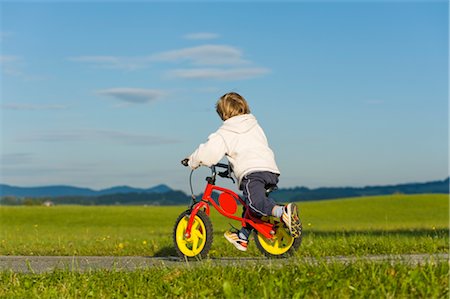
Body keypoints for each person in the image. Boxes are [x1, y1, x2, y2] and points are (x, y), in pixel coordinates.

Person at [182, 92, 300, 252]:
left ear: (223, 114)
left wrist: (192, 161)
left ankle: (282, 211)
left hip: (253, 173)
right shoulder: (254, 126)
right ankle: (243, 237)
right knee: (249, 206)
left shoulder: (225, 132)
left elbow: (208, 153)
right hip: (270, 170)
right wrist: (232, 168)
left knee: (255, 203)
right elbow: (248, 150)